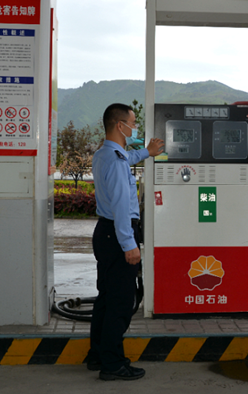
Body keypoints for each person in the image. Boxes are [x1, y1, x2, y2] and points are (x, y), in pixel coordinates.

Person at [86, 103, 164, 381]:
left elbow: (127, 157)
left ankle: (97, 354)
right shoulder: (117, 162)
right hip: (118, 235)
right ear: (120, 126)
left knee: (106, 298)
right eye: (133, 123)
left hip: (105, 233)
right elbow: (121, 206)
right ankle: (113, 364)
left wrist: (147, 152)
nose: (135, 128)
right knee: (120, 303)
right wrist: (129, 244)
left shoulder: (104, 154)